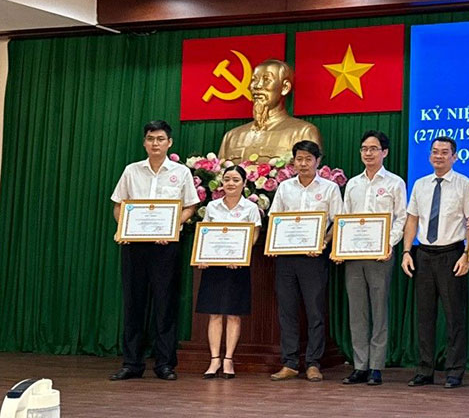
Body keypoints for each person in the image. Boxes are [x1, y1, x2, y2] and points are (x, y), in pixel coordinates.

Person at [109, 120, 199, 381]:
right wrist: (122, 228)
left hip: (165, 247)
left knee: (165, 303)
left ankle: (165, 364)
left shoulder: (180, 172)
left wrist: (171, 228)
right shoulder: (131, 171)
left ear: (169, 142)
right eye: (151, 139)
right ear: (144, 142)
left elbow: (190, 207)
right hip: (134, 246)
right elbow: (118, 205)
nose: (155, 143)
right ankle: (132, 363)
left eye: (160, 139)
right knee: (133, 303)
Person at [402, 136, 469, 388]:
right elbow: (412, 220)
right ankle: (424, 369)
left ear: (454, 157)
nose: (438, 156)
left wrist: (467, 254)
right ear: (429, 156)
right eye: (435, 152)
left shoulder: (464, 184)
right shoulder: (420, 185)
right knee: (424, 316)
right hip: (423, 254)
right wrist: (406, 252)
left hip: (452, 254)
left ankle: (455, 371)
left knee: (454, 316)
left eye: (444, 152)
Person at [267, 140, 342, 382]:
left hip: (314, 258)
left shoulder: (330, 188)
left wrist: (323, 242)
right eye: (299, 159)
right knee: (287, 311)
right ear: (293, 161)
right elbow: (275, 219)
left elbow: (337, 221)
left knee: (315, 311)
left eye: (308, 159)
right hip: (286, 258)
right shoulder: (285, 187)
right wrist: (273, 243)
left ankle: (313, 363)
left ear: (318, 161)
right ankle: (289, 363)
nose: (303, 163)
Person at [338, 131, 407, 386]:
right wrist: (341, 248)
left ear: (385, 152)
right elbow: (345, 218)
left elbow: (401, 217)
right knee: (357, 311)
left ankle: (376, 366)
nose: (368, 153)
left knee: (379, 310)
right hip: (354, 256)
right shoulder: (353, 184)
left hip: (381, 256)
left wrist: (389, 244)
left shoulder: (394, 182)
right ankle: (359, 366)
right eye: (364, 148)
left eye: (374, 149)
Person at [195, 165, 261, 379]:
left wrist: (241, 255)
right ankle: (214, 359)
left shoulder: (250, 208)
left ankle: (228, 359)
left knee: (233, 314)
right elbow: (205, 234)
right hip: (214, 266)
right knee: (214, 314)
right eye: (227, 179)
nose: (230, 183)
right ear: (221, 183)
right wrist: (202, 256)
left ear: (244, 184)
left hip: (237, 267)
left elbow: (254, 235)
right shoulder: (212, 207)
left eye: (235, 180)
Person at [218, 59, 323, 162]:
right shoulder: (231, 136)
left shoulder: (303, 132)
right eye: (254, 80)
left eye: (266, 80)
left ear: (285, 87)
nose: (257, 86)